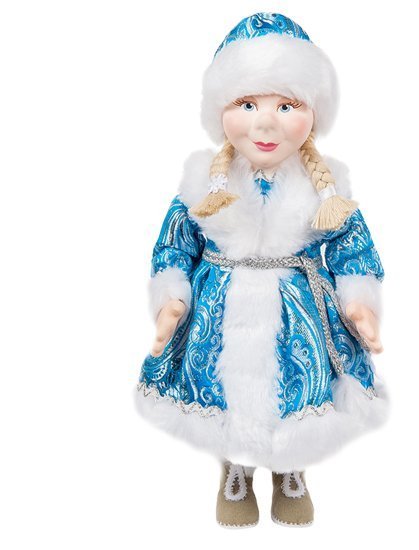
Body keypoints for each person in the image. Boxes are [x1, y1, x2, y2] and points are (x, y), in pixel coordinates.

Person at [135, 12, 388, 528]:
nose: (265, 123)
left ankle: (291, 468)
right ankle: (236, 468)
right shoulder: (201, 184)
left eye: (286, 106)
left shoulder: (327, 189)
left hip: (299, 313)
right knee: (223, 389)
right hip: (218, 312)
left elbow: (352, 248)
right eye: (247, 104)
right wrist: (171, 300)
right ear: (221, 111)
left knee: (297, 387)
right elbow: (174, 246)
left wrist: (359, 302)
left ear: (313, 114)